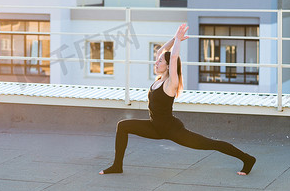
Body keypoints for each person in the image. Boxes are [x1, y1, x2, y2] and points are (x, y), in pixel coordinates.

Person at [99, 24, 256, 176]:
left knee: (211, 144)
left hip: (173, 130)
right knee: (123, 126)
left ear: (168, 66)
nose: (156, 62)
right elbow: (163, 51)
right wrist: (175, 38)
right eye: (157, 60)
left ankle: (248, 159)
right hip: (154, 127)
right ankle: (117, 166)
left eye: (160, 61)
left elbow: (173, 57)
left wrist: (179, 41)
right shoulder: (159, 79)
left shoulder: (171, 83)